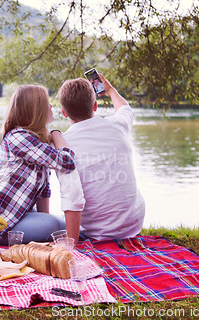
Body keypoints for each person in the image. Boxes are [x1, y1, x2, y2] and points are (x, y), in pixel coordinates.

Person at [0, 84, 76, 245]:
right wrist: (56, 133)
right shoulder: (19, 138)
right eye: (46, 103)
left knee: (65, 227)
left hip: (14, 214)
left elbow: (44, 191)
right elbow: (68, 162)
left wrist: (46, 220)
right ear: (36, 110)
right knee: (54, 225)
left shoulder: (36, 142)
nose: (51, 107)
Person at [56, 74, 145, 243]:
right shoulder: (117, 126)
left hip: (96, 232)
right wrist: (110, 90)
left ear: (64, 113)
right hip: (133, 226)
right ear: (95, 106)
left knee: (54, 221)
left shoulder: (64, 145)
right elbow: (125, 108)